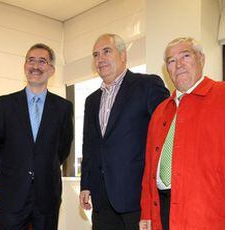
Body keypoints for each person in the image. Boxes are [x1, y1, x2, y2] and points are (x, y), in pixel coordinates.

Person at [79, 33, 169, 229]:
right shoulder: (91, 100)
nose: (100, 58)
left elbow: (166, 137)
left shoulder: (147, 85)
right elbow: (90, 145)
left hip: (137, 198)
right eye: (95, 55)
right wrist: (86, 184)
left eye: (106, 51)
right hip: (102, 201)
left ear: (123, 55)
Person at [139, 37, 225, 230]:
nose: (178, 65)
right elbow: (149, 171)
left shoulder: (221, 95)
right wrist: (146, 214)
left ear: (201, 59)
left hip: (207, 212)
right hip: (162, 211)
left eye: (185, 56)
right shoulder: (160, 111)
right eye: (171, 61)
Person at [0, 43, 74, 229]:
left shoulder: (63, 108)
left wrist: (42, 166)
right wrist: (16, 167)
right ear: (24, 65)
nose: (35, 66)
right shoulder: (5, 104)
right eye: (31, 60)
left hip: (47, 193)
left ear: (51, 69)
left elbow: (63, 148)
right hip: (12, 191)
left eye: (42, 61)